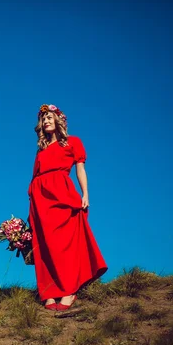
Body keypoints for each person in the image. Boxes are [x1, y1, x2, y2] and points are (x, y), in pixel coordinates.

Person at [27, 104, 108, 311]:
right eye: (43, 118)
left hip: (62, 194)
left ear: (59, 121)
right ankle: (49, 292)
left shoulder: (73, 142)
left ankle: (69, 290)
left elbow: (80, 169)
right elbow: (35, 177)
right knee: (45, 244)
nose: (45, 121)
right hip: (40, 198)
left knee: (64, 243)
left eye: (49, 118)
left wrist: (85, 194)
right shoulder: (41, 150)